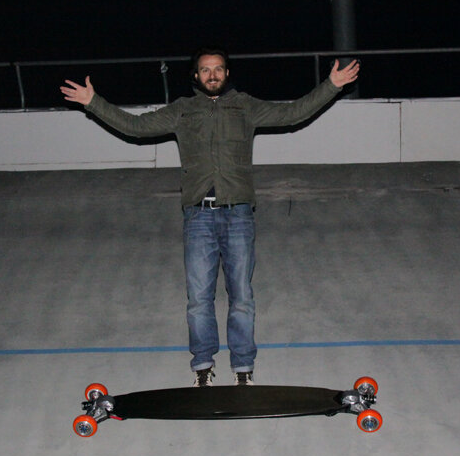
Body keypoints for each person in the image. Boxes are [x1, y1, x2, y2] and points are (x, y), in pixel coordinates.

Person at [60, 47, 360, 387]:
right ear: (196, 76)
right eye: (205, 70)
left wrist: (331, 86)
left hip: (239, 215)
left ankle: (243, 366)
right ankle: (203, 364)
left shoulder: (245, 106)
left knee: (241, 297)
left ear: (227, 74)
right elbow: (134, 126)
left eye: (218, 69)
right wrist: (92, 101)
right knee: (199, 299)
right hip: (198, 217)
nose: (212, 74)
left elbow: (292, 113)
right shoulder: (182, 111)